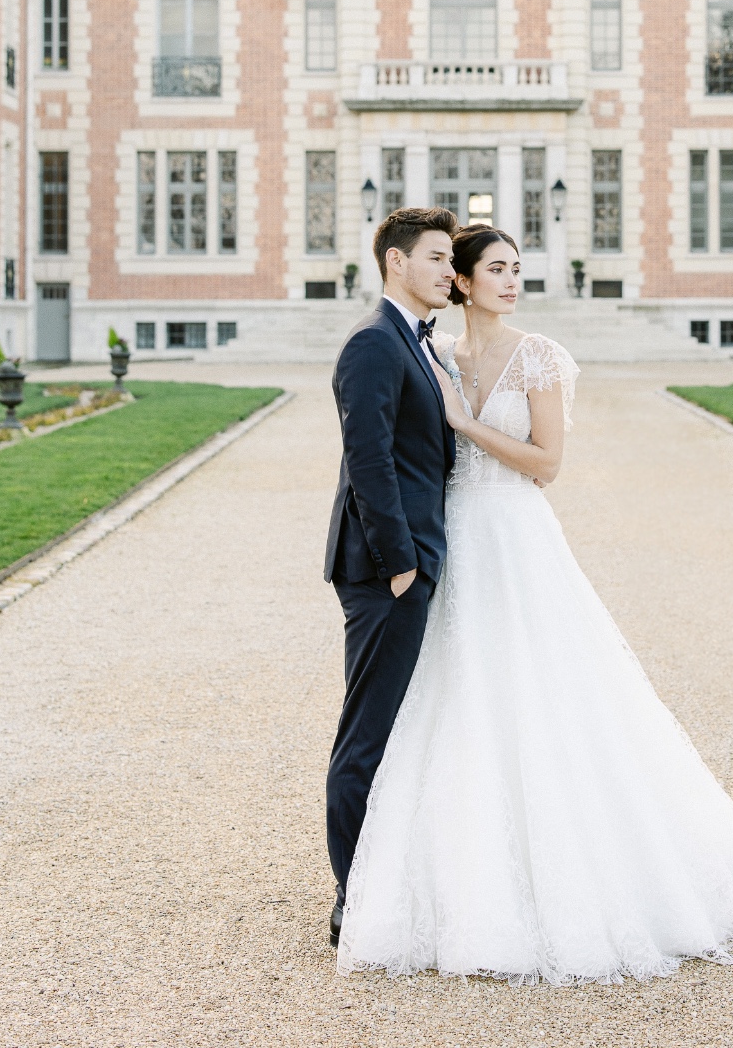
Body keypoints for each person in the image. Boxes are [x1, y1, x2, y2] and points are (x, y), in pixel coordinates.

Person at [336, 223, 733, 983]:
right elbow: (388, 452)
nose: (511, 281)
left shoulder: (536, 355)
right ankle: (432, 882)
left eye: (517, 269)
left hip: (516, 535)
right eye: (494, 269)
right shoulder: (430, 351)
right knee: (456, 700)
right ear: (463, 282)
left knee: (546, 697)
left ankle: (563, 874)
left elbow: (547, 464)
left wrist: (467, 422)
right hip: (453, 543)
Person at [324, 206, 459, 950]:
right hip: (386, 574)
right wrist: (401, 564)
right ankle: (353, 899)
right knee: (367, 736)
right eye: (437, 257)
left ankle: (385, 883)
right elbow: (368, 461)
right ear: (396, 262)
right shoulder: (374, 343)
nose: (449, 270)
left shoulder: (418, 342)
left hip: (413, 566)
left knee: (402, 731)